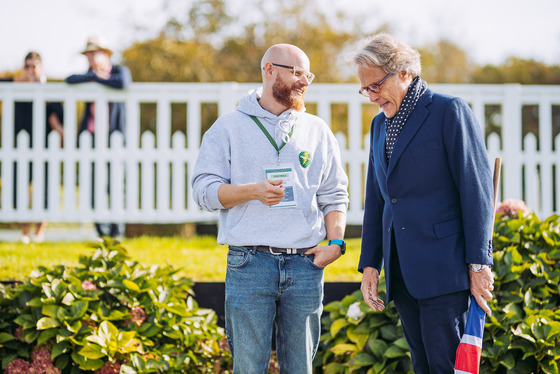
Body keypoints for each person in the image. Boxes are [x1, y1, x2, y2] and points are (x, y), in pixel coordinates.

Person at [192, 44, 349, 373]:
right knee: (249, 368)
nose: (304, 81)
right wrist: (252, 191)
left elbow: (335, 193)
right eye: (296, 72)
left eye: (308, 74)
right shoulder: (228, 127)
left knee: (300, 368)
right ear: (269, 70)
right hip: (249, 264)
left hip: (306, 265)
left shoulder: (317, 131)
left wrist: (335, 243)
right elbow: (203, 192)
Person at [352, 33, 495, 373]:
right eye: (365, 89)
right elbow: (378, 198)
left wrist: (479, 263)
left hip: (445, 271)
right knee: (422, 366)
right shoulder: (378, 126)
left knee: (448, 367)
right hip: (402, 273)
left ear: (403, 72)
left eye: (375, 86)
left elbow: (477, 191)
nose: (371, 96)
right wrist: (370, 263)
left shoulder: (449, 111)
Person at [66, 36, 131, 238]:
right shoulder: (88, 74)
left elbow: (122, 83)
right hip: (92, 137)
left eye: (94, 54)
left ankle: (116, 228)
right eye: (88, 55)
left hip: (114, 136)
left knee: (115, 183)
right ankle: (100, 229)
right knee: (93, 183)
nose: (91, 58)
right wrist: (94, 77)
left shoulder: (119, 70)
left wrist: (99, 79)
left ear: (105, 54)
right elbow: (70, 79)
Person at [2, 52, 64, 243]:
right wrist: (17, 80)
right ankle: (25, 232)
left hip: (44, 147)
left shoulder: (49, 92)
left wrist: (44, 95)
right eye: (27, 66)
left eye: (34, 66)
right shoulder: (14, 87)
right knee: (17, 189)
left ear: (41, 68)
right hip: (19, 148)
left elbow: (59, 116)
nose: (31, 70)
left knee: (44, 190)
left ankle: (40, 232)